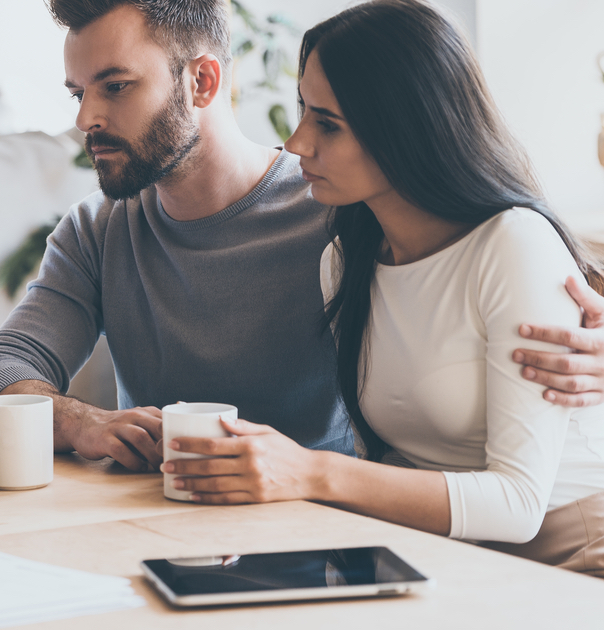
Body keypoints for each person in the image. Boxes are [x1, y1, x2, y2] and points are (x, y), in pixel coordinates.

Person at [0, 0, 604, 472]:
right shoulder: (97, 232)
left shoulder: (343, 204)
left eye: (116, 87)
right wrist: (79, 421)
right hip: (165, 533)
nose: (86, 118)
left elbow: (483, 245)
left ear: (203, 80)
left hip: (334, 535)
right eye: (78, 92)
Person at [164, 0, 604, 576]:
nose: (296, 143)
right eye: (303, 111)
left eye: (327, 123)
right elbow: (388, 465)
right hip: (440, 558)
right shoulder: (345, 263)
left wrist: (308, 472)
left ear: (407, 128)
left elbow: (519, 507)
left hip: (569, 553)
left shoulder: (512, 245)